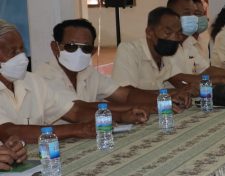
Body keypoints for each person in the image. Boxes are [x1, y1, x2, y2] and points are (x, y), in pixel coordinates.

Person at [0, 20, 146, 143]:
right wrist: (78, 129)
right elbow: (10, 132)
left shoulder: (32, 81)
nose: (22, 57)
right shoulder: (44, 75)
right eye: (13, 52)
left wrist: (121, 116)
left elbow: (75, 112)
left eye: (22, 49)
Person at [38, 18, 190, 111]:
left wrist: (165, 97)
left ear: (93, 51)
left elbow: (125, 95)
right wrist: (148, 106)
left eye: (86, 48)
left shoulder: (88, 73)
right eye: (71, 47)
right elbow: (78, 110)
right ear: (55, 47)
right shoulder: (45, 77)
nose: (79, 53)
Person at [113, 7, 205, 93]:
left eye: (178, 33)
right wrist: (172, 94)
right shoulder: (129, 51)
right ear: (150, 32)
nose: (174, 38)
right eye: (168, 32)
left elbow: (178, 82)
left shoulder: (166, 55)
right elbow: (125, 93)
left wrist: (187, 90)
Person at [166, 0, 225, 83]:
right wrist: (221, 79)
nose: (194, 18)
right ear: (171, 15)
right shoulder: (164, 46)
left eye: (194, 14)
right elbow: (176, 78)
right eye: (187, 13)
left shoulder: (188, 43)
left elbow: (206, 70)